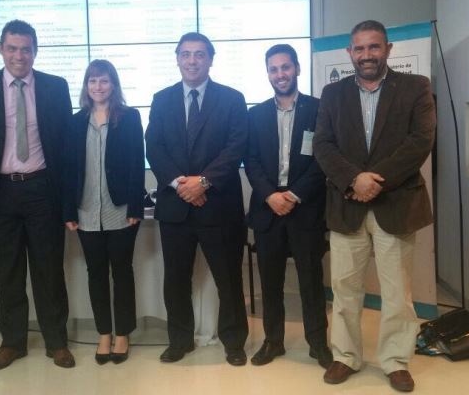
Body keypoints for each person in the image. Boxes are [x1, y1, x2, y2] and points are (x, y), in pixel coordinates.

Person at [313, 20, 436, 393]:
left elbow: (420, 141)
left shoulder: (415, 87)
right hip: (346, 205)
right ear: (349, 52)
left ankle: (395, 361)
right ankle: (346, 356)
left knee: (397, 293)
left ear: (388, 49)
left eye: (374, 47)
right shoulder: (332, 93)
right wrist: (355, 180)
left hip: (395, 204)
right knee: (345, 289)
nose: (366, 55)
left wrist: (375, 180)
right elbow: (323, 145)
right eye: (360, 48)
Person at [0, 20, 74, 371]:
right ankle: (12, 343)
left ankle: (56, 341)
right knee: (8, 273)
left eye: (26, 49)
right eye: (12, 48)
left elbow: (66, 146)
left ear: (35, 51)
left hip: (42, 189)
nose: (19, 56)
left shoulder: (55, 87)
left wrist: (68, 198)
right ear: (0, 49)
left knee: (49, 271)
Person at [145, 32, 249, 366]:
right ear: (177, 59)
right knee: (176, 280)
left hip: (219, 207)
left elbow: (236, 147)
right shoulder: (161, 99)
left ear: (210, 59)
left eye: (200, 54)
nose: (192, 60)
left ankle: (234, 342)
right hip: (176, 208)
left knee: (228, 279)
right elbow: (154, 147)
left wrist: (202, 183)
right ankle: (180, 341)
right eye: (186, 54)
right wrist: (181, 184)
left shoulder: (232, 99)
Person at [244, 44, 332, 368]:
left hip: (305, 208)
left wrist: (293, 196)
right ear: (268, 73)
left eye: (285, 67)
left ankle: (318, 344)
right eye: (274, 69)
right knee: (271, 282)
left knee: (311, 281)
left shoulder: (319, 109)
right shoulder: (255, 115)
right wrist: (270, 195)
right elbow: (251, 160)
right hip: (268, 209)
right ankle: (273, 341)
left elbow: (324, 159)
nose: (280, 74)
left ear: (296, 68)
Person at [62, 60, 145, 365]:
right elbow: (68, 168)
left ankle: (123, 333)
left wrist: (136, 205)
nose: (98, 87)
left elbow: (137, 163)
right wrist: (68, 209)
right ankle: (104, 333)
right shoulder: (75, 122)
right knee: (95, 273)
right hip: (85, 211)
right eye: (93, 81)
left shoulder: (130, 117)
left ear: (114, 85)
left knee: (122, 272)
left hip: (120, 209)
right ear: (86, 85)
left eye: (104, 81)